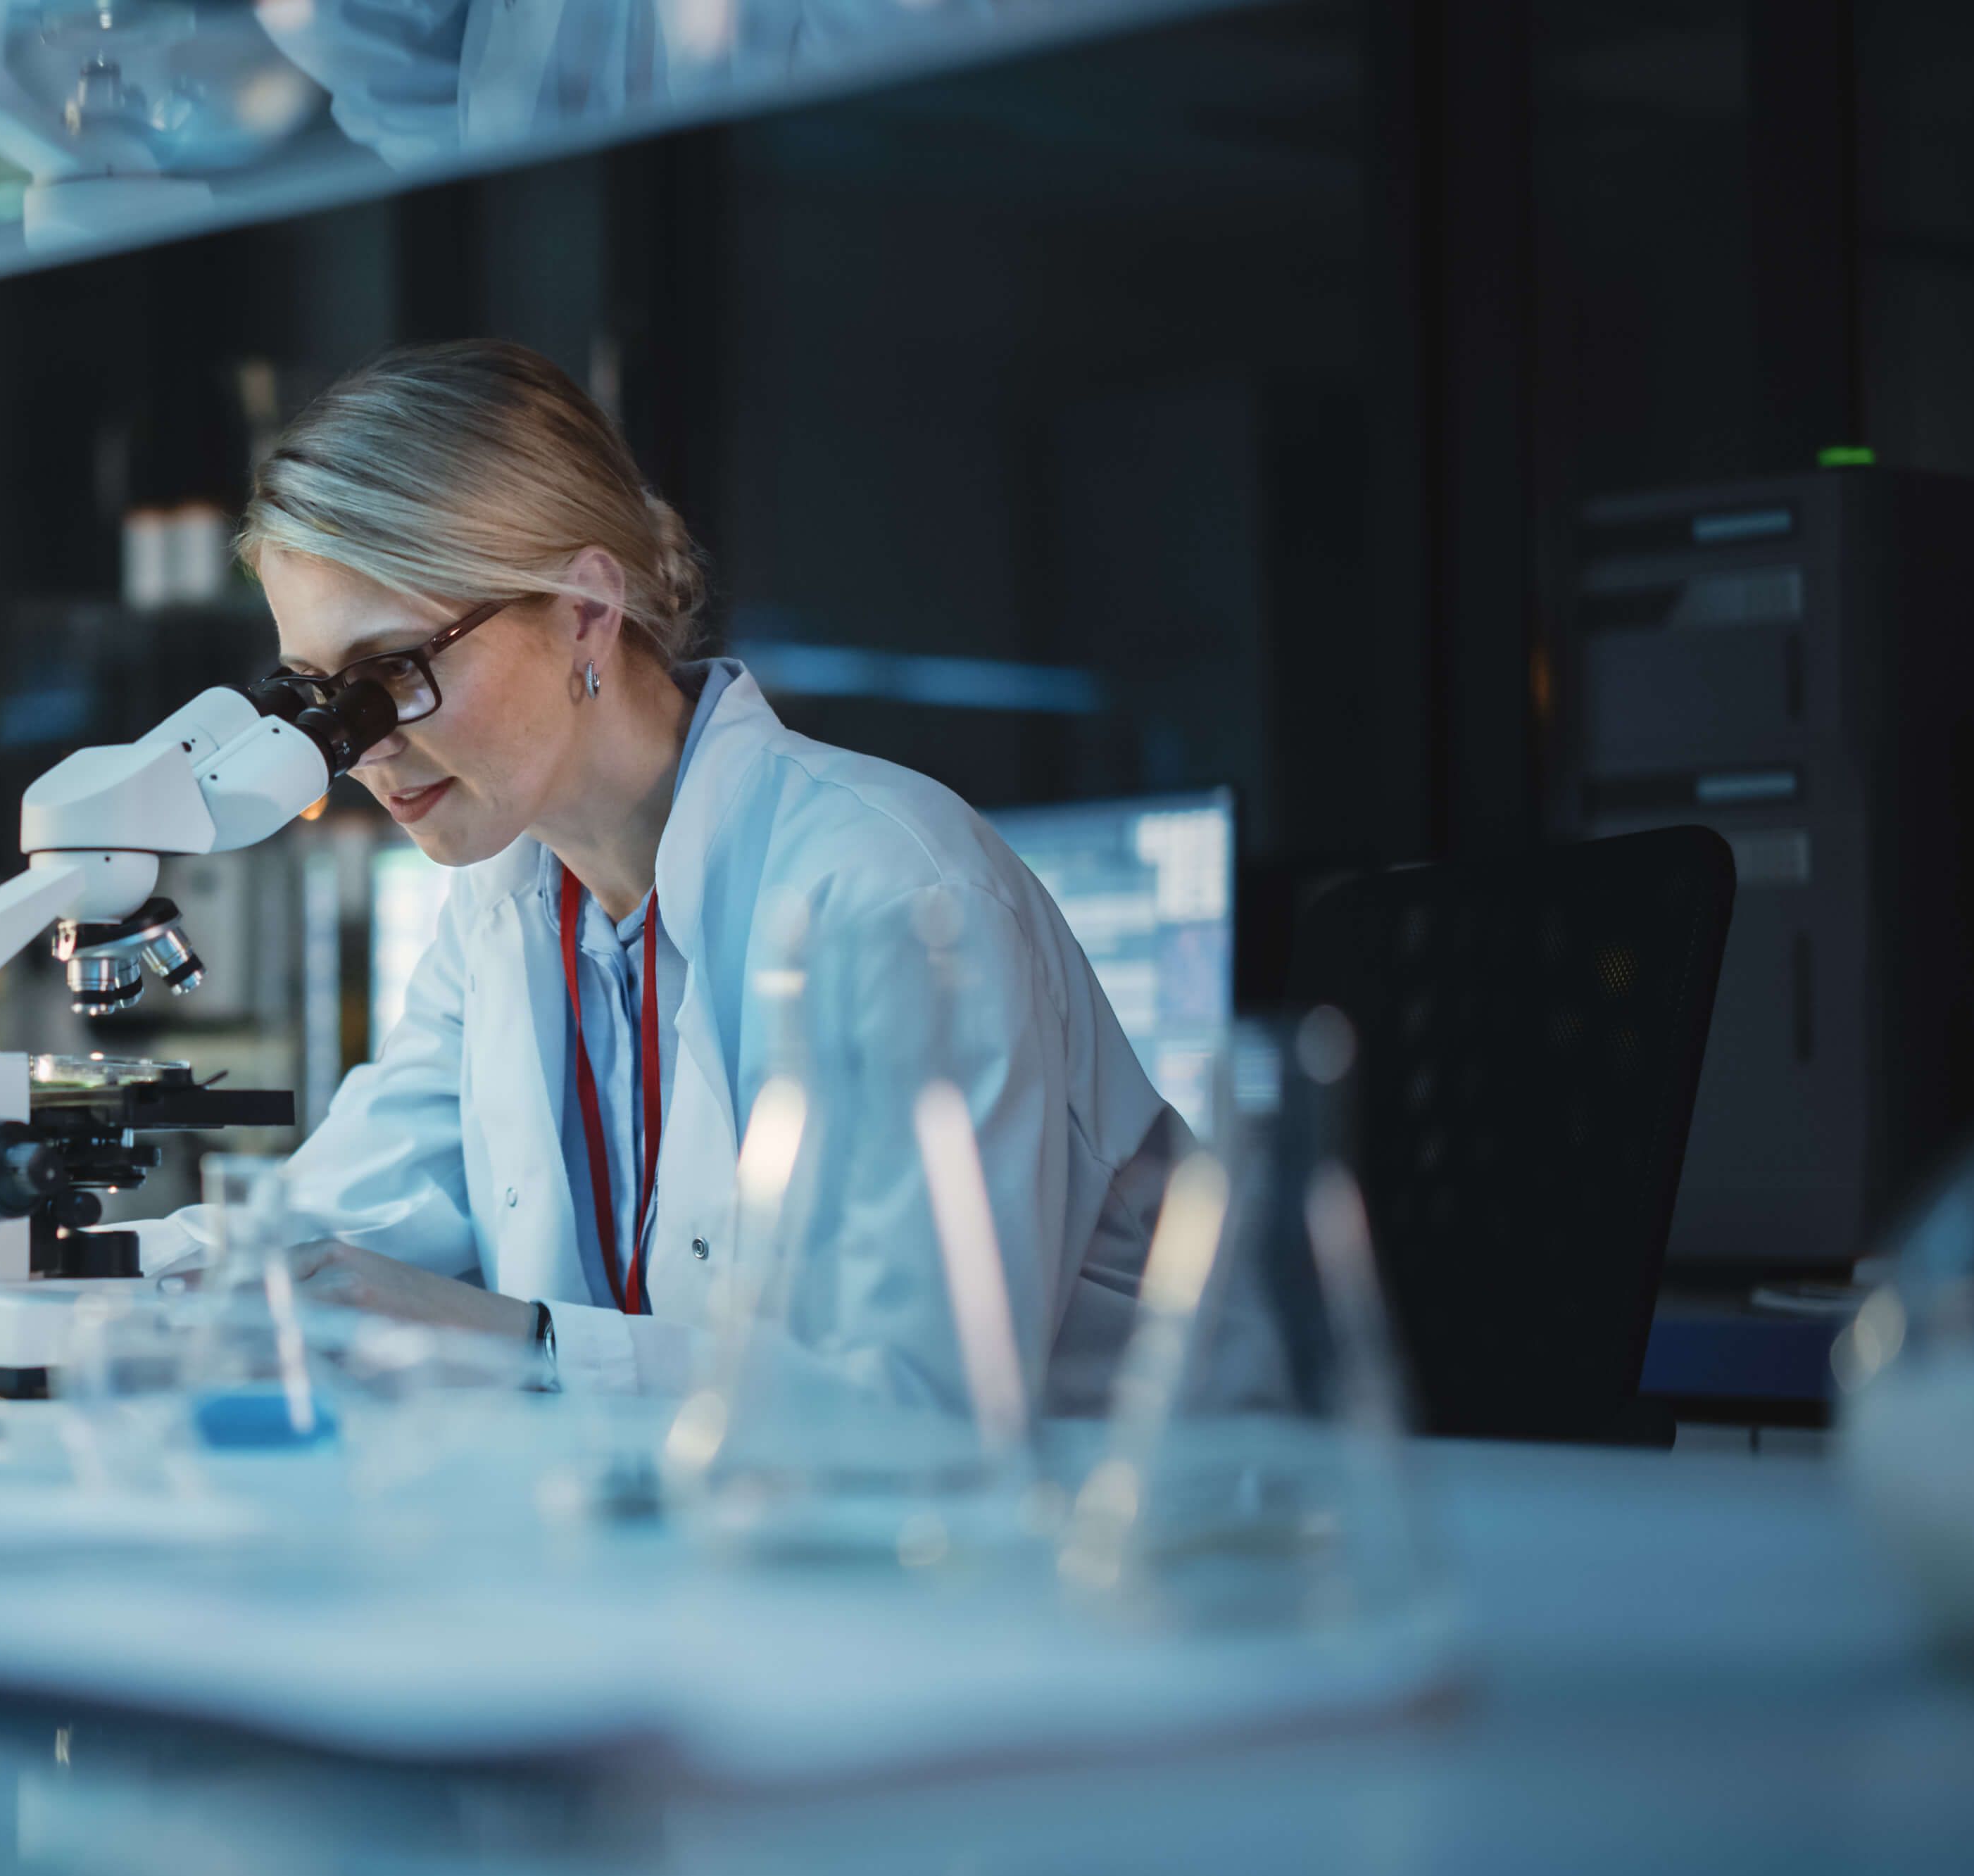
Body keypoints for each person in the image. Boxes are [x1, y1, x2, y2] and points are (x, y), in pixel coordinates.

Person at [123, 339, 1181, 1399]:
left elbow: (922, 1405)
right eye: (319, 699)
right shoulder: (502, 910)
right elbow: (324, 1233)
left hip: (1151, 1540)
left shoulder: (893, 893)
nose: (365, 748)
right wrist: (62, 1278)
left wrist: (517, 1341)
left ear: (586, 609)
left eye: (390, 674)